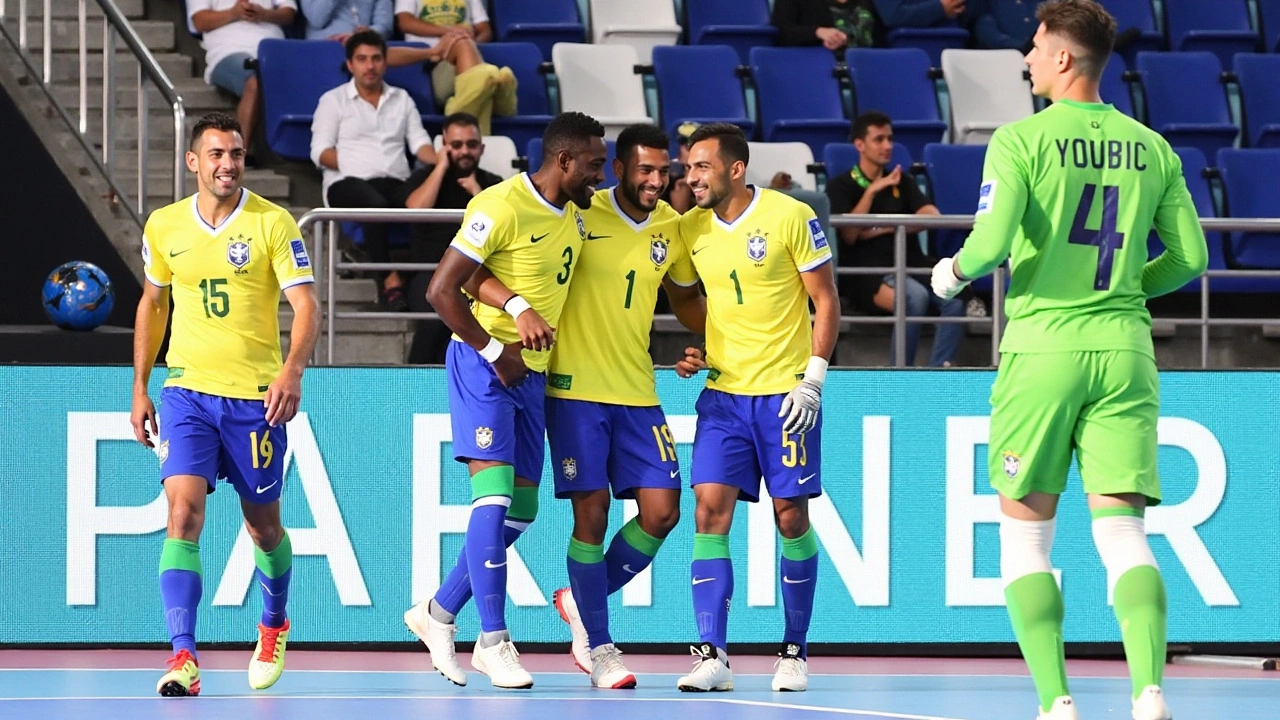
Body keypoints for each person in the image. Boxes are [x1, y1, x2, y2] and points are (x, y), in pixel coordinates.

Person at [929, 2, 1208, 719]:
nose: (1025, 58)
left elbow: (989, 247)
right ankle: (1148, 690)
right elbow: (1192, 257)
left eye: (1033, 46)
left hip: (1043, 348)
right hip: (1124, 350)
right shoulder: (1153, 146)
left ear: (1061, 58)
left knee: (1026, 537)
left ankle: (1057, 702)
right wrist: (1119, 291)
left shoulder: (1021, 140)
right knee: (1122, 533)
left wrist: (949, 275)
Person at [467, 124, 708, 688]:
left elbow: (687, 300)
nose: (655, 181)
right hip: (573, 389)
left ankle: (579, 597)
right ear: (617, 169)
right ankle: (601, 650)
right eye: (643, 170)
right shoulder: (578, 212)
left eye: (663, 171)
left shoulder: (670, 229)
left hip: (639, 390)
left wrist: (715, 344)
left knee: (663, 511)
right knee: (592, 514)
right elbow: (497, 267)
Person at [402, 111, 608, 690]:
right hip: (486, 365)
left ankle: (438, 613)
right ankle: (492, 640)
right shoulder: (499, 203)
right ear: (563, 160)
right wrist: (498, 345)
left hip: (533, 375)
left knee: (521, 512)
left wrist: (516, 307)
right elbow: (444, 286)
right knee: (492, 501)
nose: (601, 174)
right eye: (594, 164)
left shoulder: (575, 212)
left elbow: (482, 274)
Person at [130, 112, 321, 697]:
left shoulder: (272, 222)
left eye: (236, 154)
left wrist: (291, 371)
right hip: (187, 391)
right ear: (193, 162)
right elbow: (153, 304)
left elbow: (307, 305)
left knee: (263, 528)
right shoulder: (164, 226)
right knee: (183, 514)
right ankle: (183, 658)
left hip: (254, 400)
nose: (227, 164)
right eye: (216, 155)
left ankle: (272, 624)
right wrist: (140, 385)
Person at [671, 123, 840, 693]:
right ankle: (711, 654)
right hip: (723, 396)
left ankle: (794, 651)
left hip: (785, 395)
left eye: (700, 167)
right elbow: (691, 299)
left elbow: (825, 300)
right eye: (688, 167)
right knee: (707, 513)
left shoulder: (790, 216)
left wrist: (813, 379)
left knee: (791, 516)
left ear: (735, 169)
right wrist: (702, 348)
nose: (690, 177)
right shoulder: (690, 229)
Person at [310, 30, 438, 310]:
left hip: (395, 180)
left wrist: (443, 162)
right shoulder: (333, 100)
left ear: (385, 62)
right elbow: (320, 152)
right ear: (350, 64)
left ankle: (420, 279)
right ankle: (389, 280)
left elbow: (420, 145)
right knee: (374, 203)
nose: (370, 66)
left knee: (433, 192)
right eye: (362, 59)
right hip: (347, 183)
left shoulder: (401, 98)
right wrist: (359, 164)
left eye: (376, 58)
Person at [827, 111, 964, 367]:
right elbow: (849, 233)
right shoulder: (841, 185)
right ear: (860, 145)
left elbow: (931, 215)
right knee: (915, 298)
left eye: (889, 139)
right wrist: (872, 191)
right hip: (867, 272)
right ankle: (901, 372)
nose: (887, 146)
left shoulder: (903, 181)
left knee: (954, 304)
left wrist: (887, 226)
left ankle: (939, 372)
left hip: (911, 264)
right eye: (879, 139)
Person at [404, 112, 504, 364]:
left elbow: (502, 224)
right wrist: (440, 167)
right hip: (428, 271)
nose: (464, 151)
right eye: (456, 145)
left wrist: (476, 193)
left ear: (481, 148)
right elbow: (416, 209)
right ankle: (416, 380)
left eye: (471, 145)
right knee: (433, 323)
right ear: (444, 147)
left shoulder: (493, 185)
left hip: (477, 274)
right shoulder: (426, 177)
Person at [187, 0, 298, 158]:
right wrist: (233, 13)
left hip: (274, 50)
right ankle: (238, 155)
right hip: (228, 51)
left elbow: (289, 14)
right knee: (254, 82)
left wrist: (265, 14)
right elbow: (200, 22)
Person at [393, 0, 515, 135]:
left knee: (476, 72)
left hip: (468, 56)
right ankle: (497, 90)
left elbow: (485, 30)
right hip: (430, 64)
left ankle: (459, 115)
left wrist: (467, 45)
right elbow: (405, 23)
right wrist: (452, 33)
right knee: (481, 77)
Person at [772, 0, 882, 51]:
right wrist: (817, 32)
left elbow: (882, 35)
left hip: (871, 67)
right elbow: (781, 32)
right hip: (818, 71)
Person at [300, 0, 394, 41]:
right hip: (325, 49)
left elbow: (385, 26)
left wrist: (366, 34)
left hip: (364, 47)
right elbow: (317, 20)